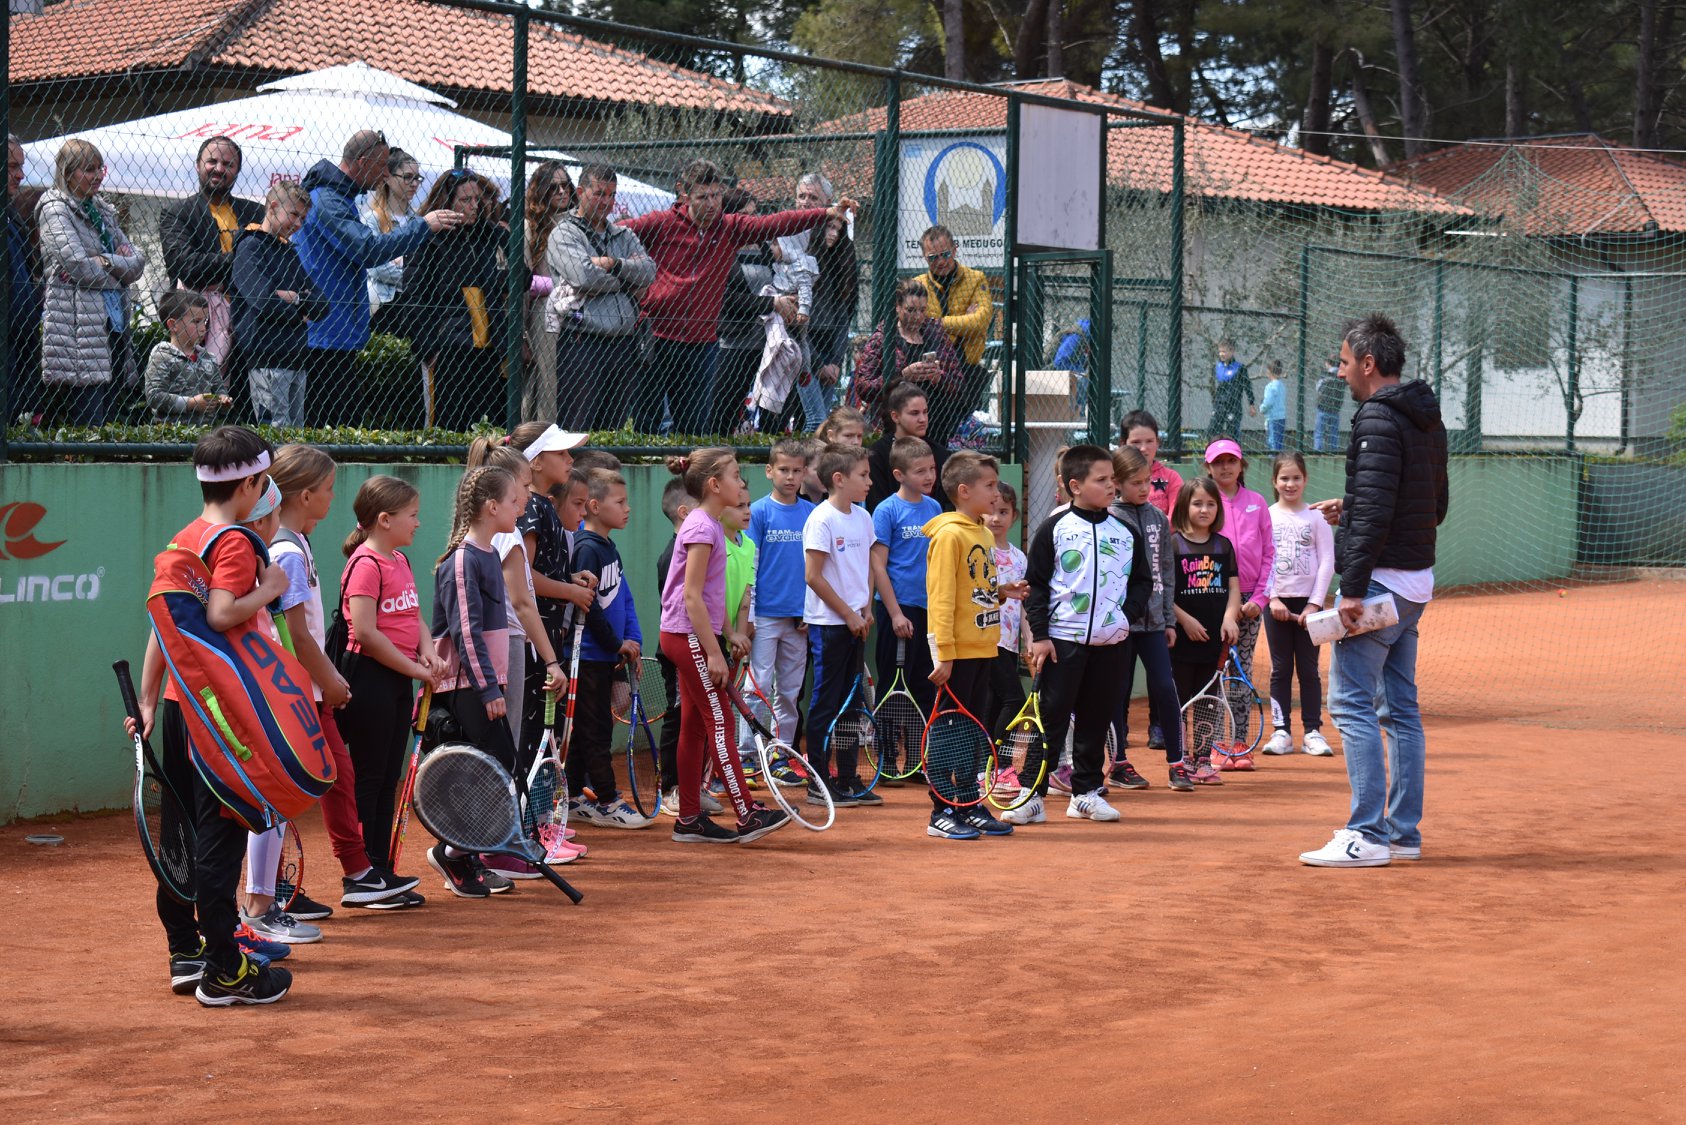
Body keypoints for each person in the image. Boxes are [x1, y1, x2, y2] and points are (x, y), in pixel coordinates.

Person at [131, 425, 295, 1004]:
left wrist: (149, 700)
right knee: (218, 836)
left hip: (179, 708)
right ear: (249, 485)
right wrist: (270, 583)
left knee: (179, 832)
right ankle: (226, 968)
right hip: (217, 720)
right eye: (264, 481)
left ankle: (186, 951)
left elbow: (163, 624)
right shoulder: (234, 543)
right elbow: (224, 614)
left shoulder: (185, 539)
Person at [1299, 314, 1448, 869]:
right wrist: (1354, 505)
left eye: (1342, 362)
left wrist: (1352, 589)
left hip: (1381, 582)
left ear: (1367, 363)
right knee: (1400, 709)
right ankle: (1403, 833)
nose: (1339, 373)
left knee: (1350, 703)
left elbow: (1384, 510)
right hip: (1416, 585)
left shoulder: (1376, 419)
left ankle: (1367, 832)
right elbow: (1433, 507)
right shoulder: (1426, 417)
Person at [266, 446, 423, 910]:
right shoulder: (288, 551)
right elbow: (296, 634)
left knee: (337, 778)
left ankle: (356, 874)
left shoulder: (299, 544)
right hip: (298, 691)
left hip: (310, 688)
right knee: (303, 785)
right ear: (306, 494)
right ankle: (282, 889)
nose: (335, 498)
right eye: (330, 489)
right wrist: (330, 680)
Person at [621, 159, 854, 435]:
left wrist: (826, 212)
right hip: (658, 335)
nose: (711, 203)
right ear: (686, 195)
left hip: (701, 344)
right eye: (703, 197)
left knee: (694, 429)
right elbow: (619, 232)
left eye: (717, 195)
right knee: (648, 424)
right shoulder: (661, 223)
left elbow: (778, 223)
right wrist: (628, 276)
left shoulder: (729, 227)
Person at [659, 449, 790, 843]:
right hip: (688, 635)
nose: (741, 481)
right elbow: (692, 597)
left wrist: (729, 633)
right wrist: (713, 651)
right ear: (715, 486)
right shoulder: (701, 527)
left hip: (691, 634)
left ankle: (689, 819)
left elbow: (710, 596)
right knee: (722, 721)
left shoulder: (711, 524)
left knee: (695, 726)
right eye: (735, 475)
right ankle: (747, 814)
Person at [1016, 444, 1148, 828]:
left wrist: (1124, 618)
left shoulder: (1125, 532)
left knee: (1096, 718)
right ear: (1075, 485)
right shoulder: (1054, 528)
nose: (1112, 486)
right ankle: (1032, 795)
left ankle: (1085, 794)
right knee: (1051, 720)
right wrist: (1041, 635)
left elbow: (1142, 582)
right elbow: (1036, 586)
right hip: (1061, 643)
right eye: (1102, 480)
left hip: (1112, 644)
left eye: (1113, 479)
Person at [293, 130, 462, 425]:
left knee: (342, 424)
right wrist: (424, 226)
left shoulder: (340, 198)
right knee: (333, 425)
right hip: (323, 333)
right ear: (361, 162)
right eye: (382, 165)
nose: (385, 173)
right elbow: (367, 249)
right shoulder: (329, 201)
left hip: (335, 330)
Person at [334, 475, 440, 901]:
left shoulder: (399, 559)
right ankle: (361, 875)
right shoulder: (366, 564)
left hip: (398, 678)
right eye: (411, 515)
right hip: (371, 679)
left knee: (386, 779)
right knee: (370, 778)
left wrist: (427, 650)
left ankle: (381, 870)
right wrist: (415, 670)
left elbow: (413, 618)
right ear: (384, 519)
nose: (418, 523)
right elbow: (366, 633)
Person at [426, 466, 526, 894]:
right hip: (467, 685)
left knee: (495, 769)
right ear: (491, 508)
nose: (519, 509)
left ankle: (462, 853)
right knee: (478, 771)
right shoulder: (464, 558)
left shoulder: (486, 554)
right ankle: (453, 855)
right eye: (513, 502)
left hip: (487, 681)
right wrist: (488, 688)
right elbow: (466, 630)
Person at [924, 451, 1017, 839]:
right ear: (964, 491)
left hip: (985, 649)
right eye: (990, 486)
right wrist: (942, 654)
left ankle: (968, 801)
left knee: (974, 729)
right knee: (951, 731)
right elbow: (941, 598)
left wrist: (1002, 593)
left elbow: (976, 591)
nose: (997, 494)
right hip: (957, 655)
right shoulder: (949, 536)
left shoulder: (980, 531)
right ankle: (942, 810)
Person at [35, 138, 146, 426]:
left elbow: (137, 263)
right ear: (68, 173)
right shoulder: (55, 209)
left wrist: (106, 260)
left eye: (100, 168)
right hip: (78, 323)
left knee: (110, 412)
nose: (97, 176)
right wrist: (117, 270)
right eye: (88, 169)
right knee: (89, 414)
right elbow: (78, 265)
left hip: (114, 321)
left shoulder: (103, 209)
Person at [569, 468, 654, 830]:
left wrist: (630, 642)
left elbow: (623, 598)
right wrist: (616, 643)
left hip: (607, 655)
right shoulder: (586, 549)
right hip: (588, 656)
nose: (628, 509)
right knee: (595, 731)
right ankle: (606, 800)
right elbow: (590, 610)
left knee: (587, 729)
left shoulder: (608, 547)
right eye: (619, 502)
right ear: (593, 505)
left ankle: (574, 796)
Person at [400, 171, 514, 431]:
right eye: (465, 200)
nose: (474, 206)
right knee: (447, 425)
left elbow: (522, 278)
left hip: (490, 346)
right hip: (449, 347)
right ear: (447, 202)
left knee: (490, 426)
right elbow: (413, 297)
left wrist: (503, 247)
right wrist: (429, 349)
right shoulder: (428, 238)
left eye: (477, 199)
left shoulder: (490, 236)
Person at [545, 163, 655, 432]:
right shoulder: (564, 233)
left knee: (612, 429)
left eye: (611, 195)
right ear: (581, 192)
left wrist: (612, 264)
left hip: (623, 343)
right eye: (599, 194)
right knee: (577, 427)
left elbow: (649, 273)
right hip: (583, 341)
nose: (607, 202)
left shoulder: (623, 233)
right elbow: (583, 277)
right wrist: (626, 279)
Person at [801, 443, 880, 809]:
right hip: (830, 625)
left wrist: (865, 609)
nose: (869, 481)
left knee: (852, 704)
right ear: (839, 479)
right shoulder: (821, 519)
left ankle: (848, 778)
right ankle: (818, 781)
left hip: (856, 624)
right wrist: (848, 615)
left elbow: (866, 567)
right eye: (862, 475)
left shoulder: (863, 518)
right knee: (826, 702)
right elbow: (813, 577)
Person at [1108, 445, 1188, 791]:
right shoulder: (1108, 517)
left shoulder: (1158, 519)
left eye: (1148, 482)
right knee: (1116, 691)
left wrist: (1169, 619)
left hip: (1154, 623)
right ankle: (1118, 761)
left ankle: (1178, 763)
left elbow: (1166, 574)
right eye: (1135, 482)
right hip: (1119, 623)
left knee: (1164, 688)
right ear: (1117, 482)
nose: (1144, 489)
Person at [159, 136, 264, 382]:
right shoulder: (177, 213)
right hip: (199, 326)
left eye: (228, 164)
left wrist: (218, 266)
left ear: (237, 171)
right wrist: (243, 260)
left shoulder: (255, 212)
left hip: (250, 320)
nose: (219, 169)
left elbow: (271, 262)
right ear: (198, 165)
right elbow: (185, 266)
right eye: (212, 161)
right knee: (203, 395)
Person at [1204, 437, 1275, 770]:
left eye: (1231, 460)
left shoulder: (1257, 503)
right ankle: (1215, 744)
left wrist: (1260, 598)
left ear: (1241, 464)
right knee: (1215, 672)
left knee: (1241, 671)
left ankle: (1239, 743)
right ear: (1209, 467)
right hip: (1213, 598)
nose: (1225, 467)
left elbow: (1270, 555)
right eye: (1218, 462)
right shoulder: (1204, 501)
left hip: (1251, 602)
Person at [230, 180, 327, 427]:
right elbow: (263, 300)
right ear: (273, 207)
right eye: (294, 214)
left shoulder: (289, 252)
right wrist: (299, 312)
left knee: (295, 432)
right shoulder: (250, 247)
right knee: (275, 432)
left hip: (296, 357)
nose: (298, 224)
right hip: (266, 357)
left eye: (303, 219)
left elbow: (322, 304)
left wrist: (293, 297)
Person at [745, 439, 815, 775]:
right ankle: (749, 752)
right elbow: (750, 566)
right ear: (769, 471)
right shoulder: (758, 512)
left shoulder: (812, 513)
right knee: (756, 686)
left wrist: (809, 611)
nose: (790, 477)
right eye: (783, 470)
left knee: (789, 691)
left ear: (804, 473)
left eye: (796, 470)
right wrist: (750, 614)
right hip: (765, 617)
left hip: (799, 619)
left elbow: (819, 568)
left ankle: (780, 753)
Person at [1262, 451, 1336, 758]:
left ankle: (1312, 731)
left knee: (1309, 668)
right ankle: (1281, 731)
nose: (1290, 484)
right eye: (1284, 478)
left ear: (1305, 480)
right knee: (1280, 668)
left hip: (1309, 608)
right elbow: (1261, 560)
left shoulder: (1316, 517)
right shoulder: (1266, 516)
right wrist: (1273, 598)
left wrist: (1314, 605)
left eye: (1296, 478)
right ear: (1275, 482)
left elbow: (1327, 561)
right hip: (1276, 605)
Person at [1169, 477, 1241, 785]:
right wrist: (1184, 620)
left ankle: (1201, 760)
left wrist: (1229, 618)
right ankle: (1180, 761)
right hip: (1182, 639)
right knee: (1181, 699)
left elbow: (1234, 588)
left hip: (1214, 638)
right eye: (1198, 503)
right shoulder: (1173, 544)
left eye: (1211, 504)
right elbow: (1165, 593)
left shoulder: (1223, 546)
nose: (1204, 509)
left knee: (1208, 700)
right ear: (1185, 506)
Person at [870, 436, 942, 715]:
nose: (929, 476)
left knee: (925, 684)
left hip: (929, 609)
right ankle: (887, 757)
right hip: (898, 609)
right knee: (892, 689)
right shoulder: (886, 510)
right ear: (899, 474)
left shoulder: (934, 508)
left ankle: (918, 754)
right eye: (920, 471)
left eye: (932, 469)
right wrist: (896, 613)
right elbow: (878, 565)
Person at [852, 280, 964, 445]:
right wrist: (902, 376)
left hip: (935, 425)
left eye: (922, 310)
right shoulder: (883, 337)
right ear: (898, 307)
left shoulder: (935, 333)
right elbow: (864, 387)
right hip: (894, 428)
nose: (917, 316)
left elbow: (959, 384)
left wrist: (938, 377)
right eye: (910, 310)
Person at [914, 225, 993, 438]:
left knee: (956, 428)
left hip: (967, 365)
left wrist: (936, 324)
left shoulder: (976, 279)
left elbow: (980, 321)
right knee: (932, 429)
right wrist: (963, 321)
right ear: (924, 257)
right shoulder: (918, 285)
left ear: (955, 250)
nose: (940, 261)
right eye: (933, 258)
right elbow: (916, 323)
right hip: (933, 368)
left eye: (945, 254)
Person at [713, 187, 780, 436]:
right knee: (725, 407)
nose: (750, 220)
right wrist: (768, 304)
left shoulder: (764, 248)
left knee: (770, 406)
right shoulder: (721, 246)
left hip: (764, 341)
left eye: (754, 214)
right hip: (733, 340)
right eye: (744, 214)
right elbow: (724, 295)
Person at [520, 160, 575, 425]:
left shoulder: (579, 223)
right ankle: (542, 435)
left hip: (580, 311)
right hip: (544, 313)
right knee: (546, 379)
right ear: (541, 191)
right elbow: (522, 281)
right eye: (554, 188)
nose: (562, 192)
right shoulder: (530, 227)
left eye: (565, 185)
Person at [984, 483, 1033, 750]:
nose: (996, 518)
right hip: (987, 641)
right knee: (1014, 700)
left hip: (1010, 643)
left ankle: (986, 767)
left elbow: (1024, 605)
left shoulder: (1020, 558)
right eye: (990, 511)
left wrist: (1029, 638)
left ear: (1014, 516)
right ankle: (998, 759)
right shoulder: (980, 551)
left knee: (994, 702)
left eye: (1003, 512)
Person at [806, 184, 859, 429]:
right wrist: (818, 365)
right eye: (829, 226)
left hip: (831, 349)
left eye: (838, 228)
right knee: (815, 418)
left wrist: (836, 363)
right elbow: (799, 325)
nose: (833, 233)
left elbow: (843, 317)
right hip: (806, 351)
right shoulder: (806, 263)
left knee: (822, 421)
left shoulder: (842, 268)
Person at [360, 148, 423, 336]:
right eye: (408, 177)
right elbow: (375, 266)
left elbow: (426, 267)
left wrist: (399, 263)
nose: (414, 184)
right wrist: (411, 271)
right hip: (382, 306)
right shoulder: (372, 219)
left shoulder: (419, 221)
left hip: (413, 308)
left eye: (418, 178)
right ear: (387, 177)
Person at [145, 290, 231, 420]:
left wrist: (222, 400)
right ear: (173, 325)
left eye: (205, 321)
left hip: (205, 434)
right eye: (196, 322)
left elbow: (219, 389)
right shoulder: (162, 355)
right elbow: (154, 396)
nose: (203, 328)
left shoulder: (208, 358)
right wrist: (191, 403)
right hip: (171, 434)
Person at [866, 383, 952, 512]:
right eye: (914, 413)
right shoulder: (878, 454)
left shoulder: (940, 453)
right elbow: (876, 503)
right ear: (895, 416)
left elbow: (949, 502)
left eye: (925, 412)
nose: (922, 419)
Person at [8, 135, 43, 421]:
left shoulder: (10, 214)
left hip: (19, 347)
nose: (20, 174)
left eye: (20, 165)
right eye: (10, 166)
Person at [1120, 410, 1182, 519]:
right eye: (1136, 442)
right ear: (1123, 444)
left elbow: (1177, 518)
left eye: (1149, 441)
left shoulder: (1171, 477)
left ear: (1157, 442)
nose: (1143, 448)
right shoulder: (1113, 476)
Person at [1210, 338, 1256, 442]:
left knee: (1232, 433)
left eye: (1224, 351)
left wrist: (1251, 404)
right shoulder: (1218, 367)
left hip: (1233, 406)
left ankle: (1235, 455)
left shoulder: (1240, 368)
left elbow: (1247, 386)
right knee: (1213, 430)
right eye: (1220, 351)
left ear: (1232, 351)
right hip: (1220, 404)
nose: (1221, 354)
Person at [1313, 353, 1344, 452]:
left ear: (1327, 363)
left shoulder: (1324, 376)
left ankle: (1317, 452)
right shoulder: (1341, 378)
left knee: (1319, 433)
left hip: (1323, 409)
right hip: (1335, 410)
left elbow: (1318, 389)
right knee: (1333, 433)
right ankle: (1334, 452)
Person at [1261, 360, 1288, 451]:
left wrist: (1262, 408)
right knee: (1279, 442)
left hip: (1273, 418)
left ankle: (1273, 461)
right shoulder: (1281, 385)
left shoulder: (1270, 386)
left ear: (1270, 371)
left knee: (1272, 442)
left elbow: (1268, 402)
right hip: (1282, 417)